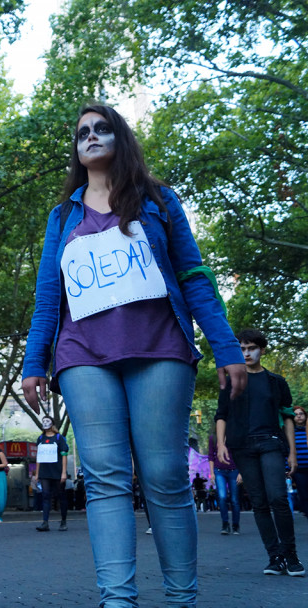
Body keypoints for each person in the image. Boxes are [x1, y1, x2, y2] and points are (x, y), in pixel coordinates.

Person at [21, 104, 247, 608]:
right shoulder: (62, 217)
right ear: (77, 150)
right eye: (83, 133)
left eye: (103, 129)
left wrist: (225, 345)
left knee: (166, 477)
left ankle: (181, 599)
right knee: (105, 479)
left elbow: (193, 276)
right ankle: (117, 601)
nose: (92, 137)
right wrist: (34, 361)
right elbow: (47, 297)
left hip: (160, 349)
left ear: (120, 139)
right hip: (82, 356)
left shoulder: (158, 201)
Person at [216, 328, 304, 577]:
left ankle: (291, 555)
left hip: (271, 443)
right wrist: (221, 444)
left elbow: (288, 417)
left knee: (278, 497)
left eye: (251, 348)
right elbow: (221, 415)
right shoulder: (231, 381)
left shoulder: (276, 382)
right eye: (241, 349)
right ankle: (274, 558)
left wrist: (292, 453)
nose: (246, 353)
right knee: (259, 503)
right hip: (242, 447)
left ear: (262, 349)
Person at [33, 416, 69, 532]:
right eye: (43, 421)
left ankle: (63, 521)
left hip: (57, 472)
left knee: (61, 496)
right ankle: (45, 522)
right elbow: (38, 457)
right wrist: (37, 474)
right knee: (45, 496)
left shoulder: (59, 438)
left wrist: (63, 472)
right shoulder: (40, 438)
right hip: (44, 472)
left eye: (47, 421)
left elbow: (64, 455)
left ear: (52, 424)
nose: (45, 423)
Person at [208, 432, 241, 534]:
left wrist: (241, 472)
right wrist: (212, 472)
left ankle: (235, 525)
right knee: (222, 497)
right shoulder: (213, 438)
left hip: (234, 470)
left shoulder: (235, 435)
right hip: (219, 471)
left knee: (234, 499)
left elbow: (241, 455)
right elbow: (210, 456)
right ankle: (225, 524)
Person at [293, 406, 308, 518]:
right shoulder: (291, 433)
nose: (299, 416)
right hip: (299, 469)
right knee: (303, 493)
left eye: (301, 414)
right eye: (296, 414)